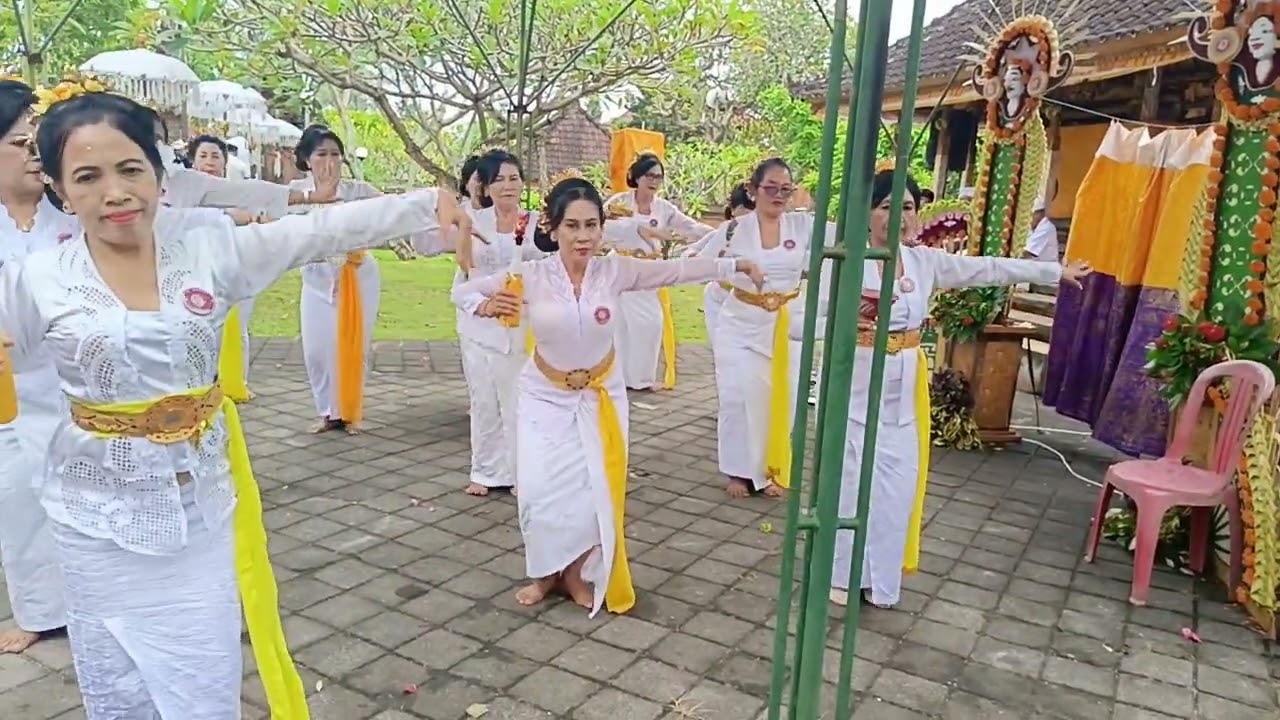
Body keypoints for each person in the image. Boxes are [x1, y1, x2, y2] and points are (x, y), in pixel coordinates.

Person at [0, 90, 468, 718]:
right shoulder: (37, 277)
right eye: (88, 176)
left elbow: (315, 231)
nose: (115, 192)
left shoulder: (209, 247)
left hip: (198, 509)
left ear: (160, 175)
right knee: (117, 685)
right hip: (92, 519)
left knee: (202, 688)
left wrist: (421, 204)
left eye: (131, 169)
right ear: (59, 187)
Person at [451, 175, 764, 615]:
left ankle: (577, 575)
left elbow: (677, 270)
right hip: (543, 396)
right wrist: (482, 306)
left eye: (592, 225)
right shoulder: (530, 275)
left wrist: (736, 266)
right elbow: (463, 289)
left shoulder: (615, 270)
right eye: (573, 226)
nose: (584, 237)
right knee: (539, 491)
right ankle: (544, 575)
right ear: (553, 227)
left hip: (600, 394)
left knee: (591, 489)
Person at [824, 169, 1091, 609]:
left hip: (904, 386)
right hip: (856, 381)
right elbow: (807, 321)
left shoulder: (924, 262)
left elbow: (985, 267)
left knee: (897, 485)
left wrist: (1054, 270)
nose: (900, 218)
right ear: (867, 214)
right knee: (852, 480)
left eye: (906, 207)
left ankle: (880, 579)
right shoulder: (847, 261)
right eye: (888, 207)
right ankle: (841, 574)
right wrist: (847, 321)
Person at [693, 158, 836, 499]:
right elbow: (699, 265)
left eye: (785, 189)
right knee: (737, 396)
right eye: (770, 188)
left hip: (785, 325)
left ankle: (770, 470)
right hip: (739, 323)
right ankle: (738, 472)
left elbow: (850, 236)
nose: (778, 195)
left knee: (781, 397)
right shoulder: (732, 231)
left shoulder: (804, 226)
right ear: (753, 190)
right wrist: (733, 267)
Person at [0, 79, 73, 654]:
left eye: (36, 143)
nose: (31, 154)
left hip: (77, 385)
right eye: (16, 142)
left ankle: (96, 597)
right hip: (9, 391)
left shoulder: (72, 222)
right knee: (19, 500)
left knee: (85, 498)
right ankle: (41, 610)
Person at [455, 149, 544, 496]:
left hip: (522, 322)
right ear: (485, 186)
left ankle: (524, 474)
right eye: (499, 180)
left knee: (520, 399)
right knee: (484, 398)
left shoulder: (537, 222)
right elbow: (464, 266)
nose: (508, 186)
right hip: (479, 317)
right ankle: (486, 470)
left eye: (513, 178)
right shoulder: (473, 221)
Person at [290, 124, 386, 434]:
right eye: (321, 154)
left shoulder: (359, 192)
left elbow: (393, 212)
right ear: (306, 159)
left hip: (357, 276)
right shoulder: (295, 193)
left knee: (352, 345)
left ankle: (349, 412)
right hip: (317, 279)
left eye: (335, 154)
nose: (329, 161)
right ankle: (327, 412)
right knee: (316, 351)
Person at [603, 153, 714, 390]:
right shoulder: (619, 203)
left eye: (658, 177)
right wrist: (639, 228)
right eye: (649, 176)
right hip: (621, 266)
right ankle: (620, 378)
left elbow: (690, 227)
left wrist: (721, 235)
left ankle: (640, 378)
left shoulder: (664, 209)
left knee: (650, 323)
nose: (654, 181)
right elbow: (601, 230)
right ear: (637, 176)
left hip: (647, 271)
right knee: (620, 326)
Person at [1024, 196, 1059, 263]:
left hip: (1045, 269)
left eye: (1033, 214)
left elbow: (1027, 252)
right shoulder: (1033, 226)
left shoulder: (1046, 227)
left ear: (1041, 213)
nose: (1030, 218)